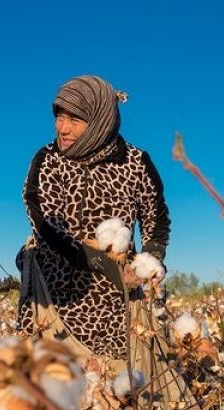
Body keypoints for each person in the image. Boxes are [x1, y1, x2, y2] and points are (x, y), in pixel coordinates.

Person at [17, 75, 169, 361]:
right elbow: (44, 222)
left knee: (125, 390)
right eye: (59, 117)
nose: (62, 128)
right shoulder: (48, 160)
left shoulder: (135, 163)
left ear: (100, 121)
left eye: (74, 120)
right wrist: (96, 260)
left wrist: (148, 261)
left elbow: (156, 218)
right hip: (58, 300)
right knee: (54, 393)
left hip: (119, 304)